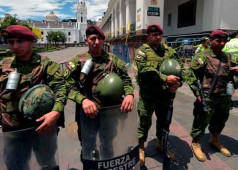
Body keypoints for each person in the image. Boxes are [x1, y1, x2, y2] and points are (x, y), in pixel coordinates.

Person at [0, 25, 67, 169]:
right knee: (16, 165)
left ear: (31, 42)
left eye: (20, 41)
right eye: (11, 42)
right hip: (12, 130)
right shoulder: (4, 65)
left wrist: (55, 112)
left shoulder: (46, 65)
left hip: (41, 128)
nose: (15, 46)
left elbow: (61, 89)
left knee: (47, 164)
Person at [64, 25, 134, 160]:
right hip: (87, 114)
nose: (96, 42)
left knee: (108, 143)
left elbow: (126, 80)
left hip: (109, 113)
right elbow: (67, 85)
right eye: (93, 38)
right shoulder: (77, 61)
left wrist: (130, 94)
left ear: (103, 41)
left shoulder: (114, 60)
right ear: (86, 41)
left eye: (99, 39)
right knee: (88, 146)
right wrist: (82, 100)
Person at [186, 29, 238, 162]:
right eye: (218, 40)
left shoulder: (228, 57)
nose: (221, 43)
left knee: (221, 120)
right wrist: (197, 93)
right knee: (201, 120)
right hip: (208, 97)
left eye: (223, 41)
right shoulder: (202, 56)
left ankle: (214, 139)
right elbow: (190, 74)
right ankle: (196, 142)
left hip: (224, 96)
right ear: (210, 41)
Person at [135, 24, 183, 167]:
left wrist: (178, 83)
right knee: (144, 122)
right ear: (148, 36)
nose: (157, 37)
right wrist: (164, 78)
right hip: (148, 96)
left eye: (159, 34)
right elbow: (144, 69)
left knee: (163, 122)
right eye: (153, 34)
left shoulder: (168, 51)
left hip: (164, 96)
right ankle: (141, 147)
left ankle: (161, 144)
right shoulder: (142, 51)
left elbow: (180, 67)